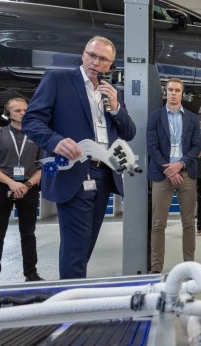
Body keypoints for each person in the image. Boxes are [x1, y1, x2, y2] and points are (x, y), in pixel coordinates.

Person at [22, 36, 136, 280]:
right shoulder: (58, 80)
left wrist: (116, 107)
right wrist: (55, 141)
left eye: (103, 59)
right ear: (83, 54)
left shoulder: (113, 93)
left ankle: (70, 296)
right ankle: (71, 308)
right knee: (75, 248)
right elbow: (31, 120)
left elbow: (129, 132)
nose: (96, 62)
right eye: (91, 55)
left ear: (111, 65)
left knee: (85, 245)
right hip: (74, 172)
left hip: (104, 174)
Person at [0, 98, 43, 284]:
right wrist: (11, 183)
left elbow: (42, 168)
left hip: (28, 187)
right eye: (17, 110)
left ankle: (31, 274)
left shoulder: (37, 136)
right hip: (2, 186)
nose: (23, 113)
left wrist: (26, 186)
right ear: (7, 114)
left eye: (25, 110)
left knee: (28, 234)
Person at [147, 78, 201, 270]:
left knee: (188, 223)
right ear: (165, 92)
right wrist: (169, 170)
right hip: (162, 175)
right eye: (170, 89)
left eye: (177, 90)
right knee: (158, 224)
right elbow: (151, 147)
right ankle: (156, 267)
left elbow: (197, 147)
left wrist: (180, 164)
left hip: (186, 174)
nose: (173, 93)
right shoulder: (155, 117)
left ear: (182, 93)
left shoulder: (193, 118)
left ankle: (189, 265)